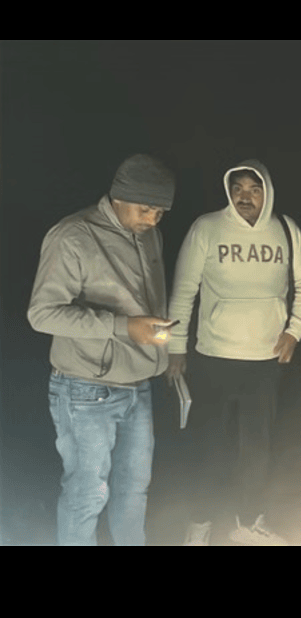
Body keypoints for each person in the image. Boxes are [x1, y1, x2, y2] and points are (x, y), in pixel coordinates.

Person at [165, 159, 301, 545]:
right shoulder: (207, 228)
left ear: (268, 191)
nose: (244, 196)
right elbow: (184, 290)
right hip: (214, 357)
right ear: (228, 191)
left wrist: (295, 330)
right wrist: (176, 348)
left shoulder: (286, 230)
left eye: (254, 188)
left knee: (257, 449)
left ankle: (248, 521)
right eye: (238, 188)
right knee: (210, 444)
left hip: (265, 360)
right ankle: (199, 522)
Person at [28, 154, 176, 545]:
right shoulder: (73, 236)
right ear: (118, 197)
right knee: (87, 493)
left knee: (134, 490)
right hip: (85, 389)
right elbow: (42, 314)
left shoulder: (150, 235)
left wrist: (164, 348)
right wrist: (123, 327)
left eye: (160, 212)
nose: (153, 220)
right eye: (145, 209)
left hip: (138, 386)